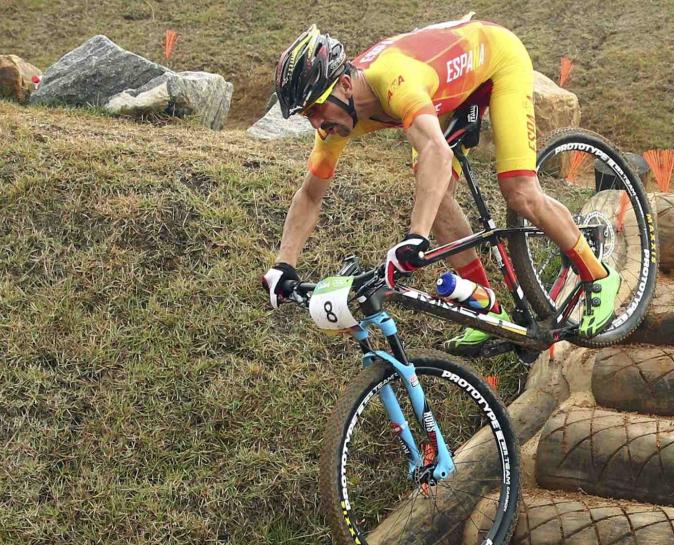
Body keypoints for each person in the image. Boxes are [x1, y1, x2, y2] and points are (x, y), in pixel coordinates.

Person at [260, 20, 617, 356]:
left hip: (496, 59)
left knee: (519, 191)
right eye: (308, 115)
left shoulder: (394, 78)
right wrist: (283, 264)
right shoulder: (337, 119)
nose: (317, 124)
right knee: (438, 196)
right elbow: (310, 194)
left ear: (344, 85)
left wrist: (416, 237)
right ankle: (486, 306)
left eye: (317, 108)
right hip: (446, 90)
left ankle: (597, 274)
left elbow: (436, 150)